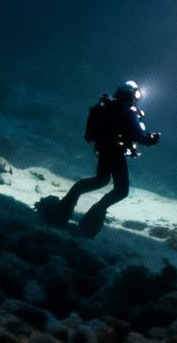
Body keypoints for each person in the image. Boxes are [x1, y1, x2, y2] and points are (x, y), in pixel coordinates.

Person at [40, 80, 160, 235]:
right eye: (136, 96)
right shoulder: (126, 111)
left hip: (102, 148)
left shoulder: (107, 106)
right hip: (115, 152)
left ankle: (62, 211)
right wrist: (152, 139)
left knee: (101, 180)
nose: (136, 100)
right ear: (131, 95)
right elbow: (139, 136)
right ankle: (90, 221)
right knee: (121, 190)